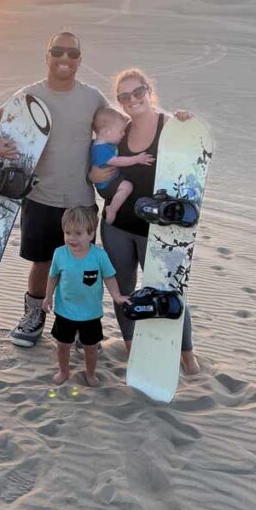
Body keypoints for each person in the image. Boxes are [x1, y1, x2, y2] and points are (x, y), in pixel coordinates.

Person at [0, 31, 108, 348]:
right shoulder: (30, 94)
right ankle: (33, 317)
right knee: (41, 263)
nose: (65, 59)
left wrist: (168, 120)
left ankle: (79, 321)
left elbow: (123, 123)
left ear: (80, 59)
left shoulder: (93, 98)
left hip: (80, 200)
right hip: (39, 196)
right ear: (47, 55)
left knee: (82, 264)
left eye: (72, 53)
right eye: (58, 51)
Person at [89, 68, 201, 375]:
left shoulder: (170, 126)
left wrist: (187, 124)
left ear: (149, 90)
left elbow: (194, 156)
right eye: (124, 96)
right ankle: (132, 349)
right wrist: (93, 175)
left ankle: (188, 357)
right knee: (123, 291)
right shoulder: (119, 131)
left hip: (158, 230)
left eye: (138, 92)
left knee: (169, 291)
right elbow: (97, 167)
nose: (132, 99)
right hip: (117, 228)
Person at [43, 207, 128, 386]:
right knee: (63, 345)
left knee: (90, 348)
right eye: (68, 233)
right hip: (65, 311)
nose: (72, 238)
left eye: (78, 233)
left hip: (90, 313)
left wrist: (117, 295)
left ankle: (90, 374)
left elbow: (109, 277)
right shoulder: (60, 253)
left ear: (91, 234)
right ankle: (64, 371)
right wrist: (48, 296)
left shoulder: (99, 255)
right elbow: (53, 277)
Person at [90, 107, 155, 226]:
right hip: (106, 185)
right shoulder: (100, 149)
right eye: (120, 131)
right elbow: (118, 161)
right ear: (106, 132)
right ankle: (112, 210)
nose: (123, 134)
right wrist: (137, 159)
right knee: (127, 187)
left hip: (111, 179)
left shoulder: (104, 143)